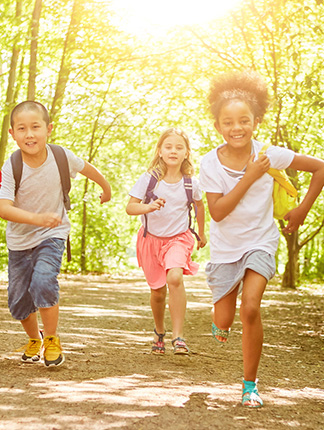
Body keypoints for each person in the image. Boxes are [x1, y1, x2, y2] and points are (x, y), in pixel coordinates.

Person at [199, 70, 324, 407]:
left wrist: (301, 210)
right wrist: (251, 175)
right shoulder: (209, 163)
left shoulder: (271, 154)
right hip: (226, 249)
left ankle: (249, 385)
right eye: (228, 122)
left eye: (244, 120)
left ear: (256, 121)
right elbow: (218, 212)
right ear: (218, 127)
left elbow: (320, 167)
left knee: (250, 306)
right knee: (223, 318)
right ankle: (219, 320)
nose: (236, 128)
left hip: (260, 242)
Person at [0, 101, 111, 368]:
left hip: (53, 234)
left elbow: (87, 168)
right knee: (18, 302)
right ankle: (34, 340)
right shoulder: (11, 166)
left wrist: (105, 187)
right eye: (22, 129)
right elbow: (3, 208)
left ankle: (51, 339)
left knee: (43, 281)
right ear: (13, 134)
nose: (30, 134)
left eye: (36, 127)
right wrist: (36, 218)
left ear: (48, 129)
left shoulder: (61, 156)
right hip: (19, 241)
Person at [126, 128, 207, 355]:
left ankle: (178, 336)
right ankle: (159, 331)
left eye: (179, 147)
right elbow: (130, 207)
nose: (173, 151)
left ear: (186, 153)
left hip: (179, 239)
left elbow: (199, 205)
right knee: (158, 292)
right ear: (160, 151)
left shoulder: (191, 183)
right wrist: (148, 206)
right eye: (168, 146)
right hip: (150, 240)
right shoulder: (149, 180)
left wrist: (202, 232)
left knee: (175, 276)